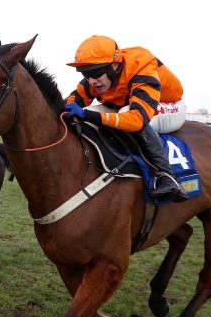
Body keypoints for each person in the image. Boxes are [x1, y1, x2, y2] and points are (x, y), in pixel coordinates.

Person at [62, 35, 189, 202]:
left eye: (95, 73)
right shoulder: (97, 78)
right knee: (88, 113)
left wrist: (87, 115)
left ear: (115, 65)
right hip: (128, 106)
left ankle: (168, 177)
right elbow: (71, 103)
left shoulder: (141, 65)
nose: (92, 81)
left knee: (124, 113)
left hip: (169, 105)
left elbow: (137, 120)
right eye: (86, 73)